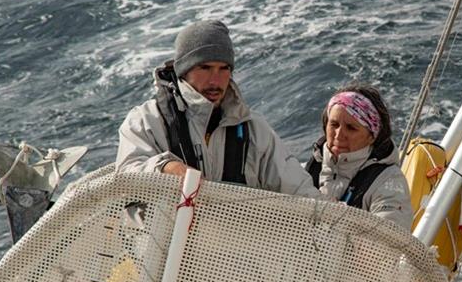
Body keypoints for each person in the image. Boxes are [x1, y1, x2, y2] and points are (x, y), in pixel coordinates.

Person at [116, 19, 319, 198]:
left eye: (224, 69)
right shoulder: (145, 121)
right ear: (183, 71)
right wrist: (166, 169)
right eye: (204, 68)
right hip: (161, 239)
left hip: (230, 239)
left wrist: (331, 213)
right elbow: (125, 176)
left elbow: (296, 186)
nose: (215, 80)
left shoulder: (254, 129)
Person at [305, 84, 413, 229]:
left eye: (351, 128)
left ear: (372, 137)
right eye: (334, 124)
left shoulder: (389, 182)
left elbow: (390, 240)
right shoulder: (314, 164)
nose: (338, 135)